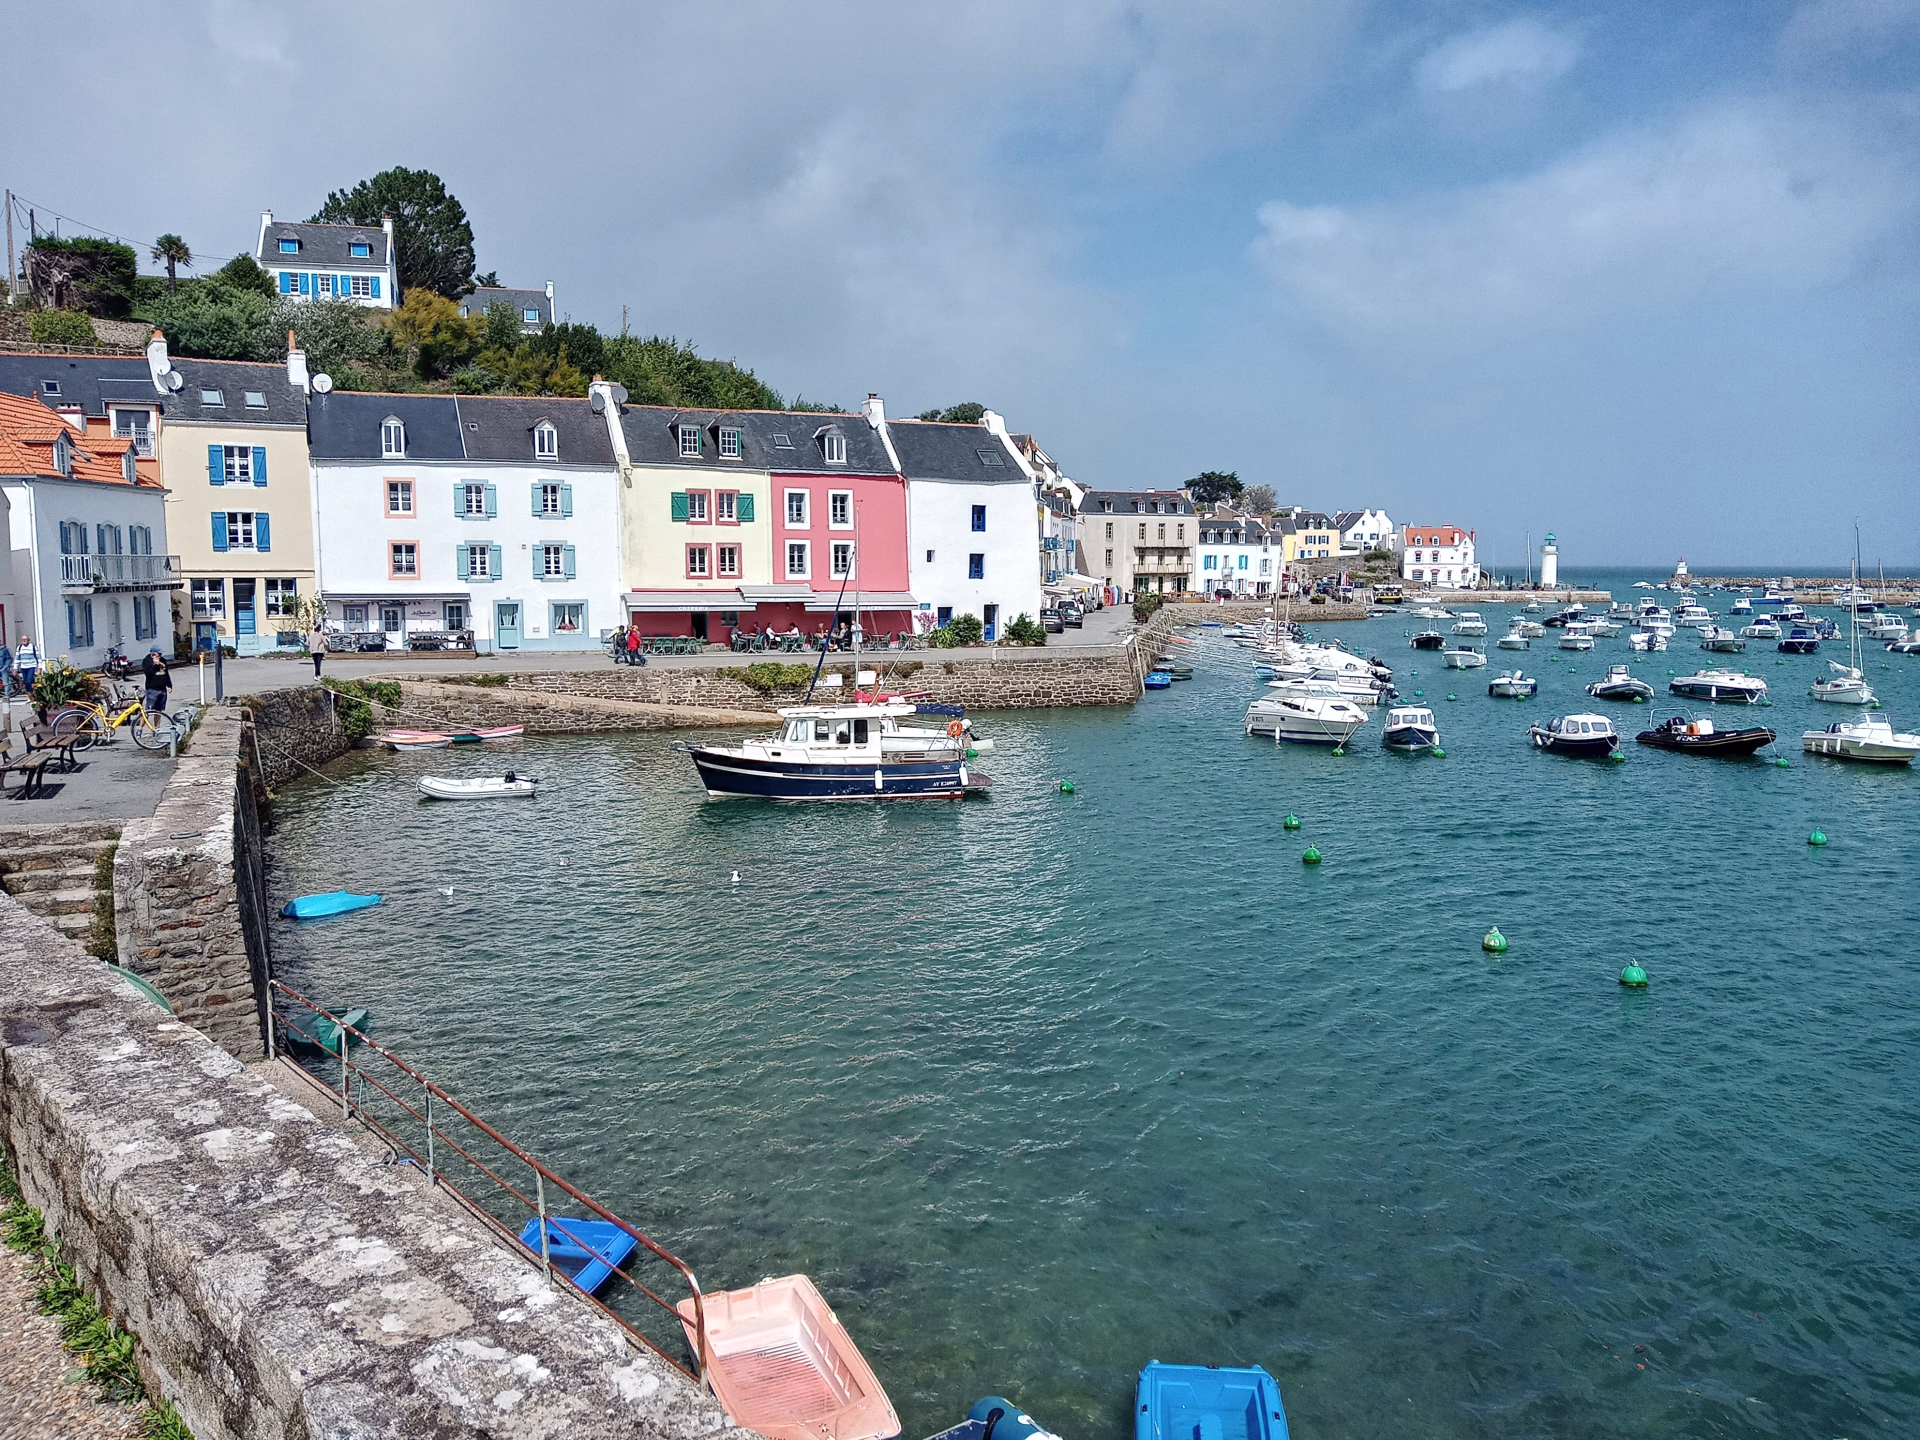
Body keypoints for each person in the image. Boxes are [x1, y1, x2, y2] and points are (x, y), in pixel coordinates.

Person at [141, 647, 171, 716]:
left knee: (159, 711)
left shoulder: (163, 660)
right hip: (152, 689)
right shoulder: (147, 660)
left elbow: (166, 673)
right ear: (153, 653)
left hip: (162, 689)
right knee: (148, 711)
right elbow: (148, 674)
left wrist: (169, 685)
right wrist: (155, 665)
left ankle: (157, 727)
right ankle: (141, 726)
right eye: (159, 653)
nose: (160, 655)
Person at [0, 635, 12, 705]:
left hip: (3, 668)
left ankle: (7, 696)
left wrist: (5, 666)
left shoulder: (4, 649)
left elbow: (9, 658)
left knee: (6, 683)